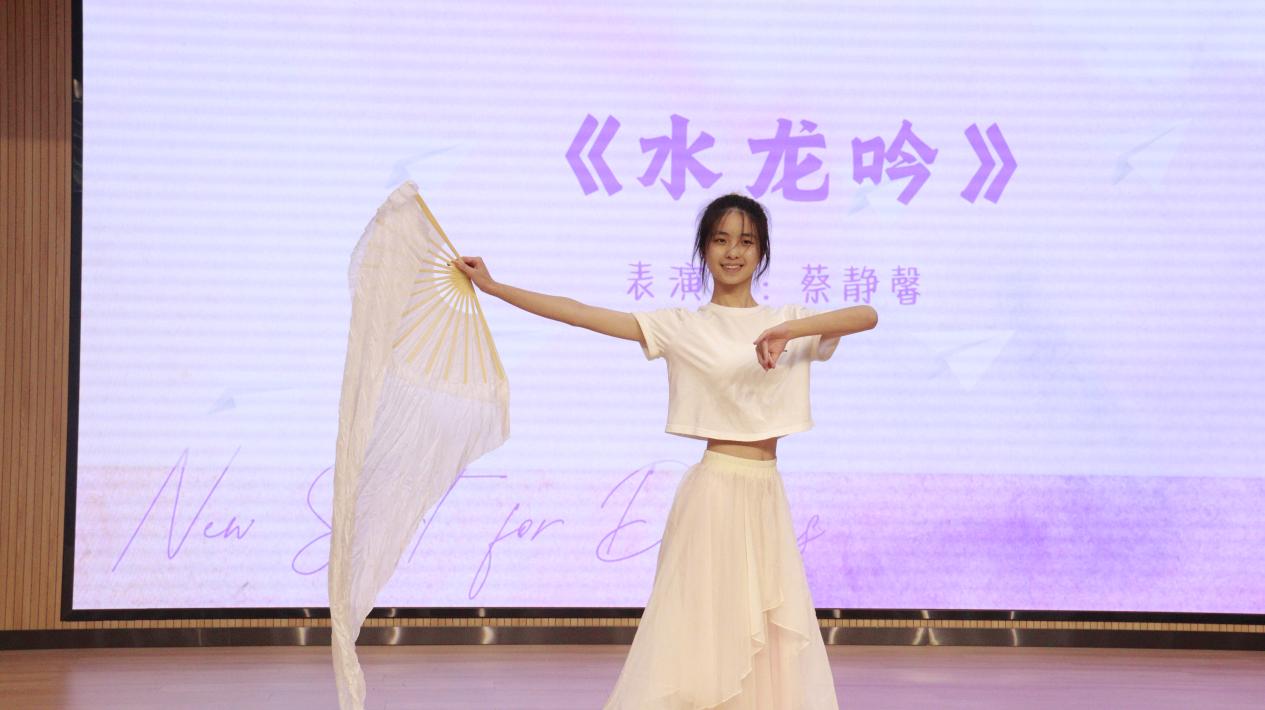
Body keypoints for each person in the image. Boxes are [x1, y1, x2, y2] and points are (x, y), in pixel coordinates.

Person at [452, 193, 878, 709]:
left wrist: (790, 330)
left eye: (746, 241)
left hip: (767, 492)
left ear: (762, 252)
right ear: (704, 249)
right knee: (701, 629)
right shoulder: (683, 325)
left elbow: (866, 314)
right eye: (720, 240)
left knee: (767, 631)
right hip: (715, 491)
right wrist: (495, 287)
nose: (733, 252)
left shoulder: (788, 320)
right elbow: (583, 314)